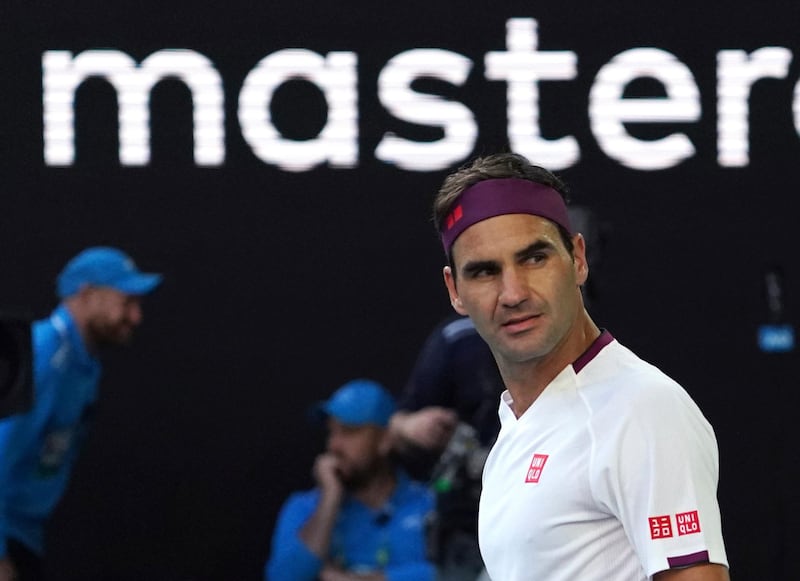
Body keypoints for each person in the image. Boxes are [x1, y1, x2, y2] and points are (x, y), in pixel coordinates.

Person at [431, 152, 729, 580]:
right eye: (484, 272)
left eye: (534, 258)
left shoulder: (643, 409)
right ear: (454, 291)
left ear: (578, 258)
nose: (513, 293)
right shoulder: (517, 424)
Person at [0, 246, 162, 581]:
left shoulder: (84, 364)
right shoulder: (44, 355)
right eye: (126, 302)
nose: (136, 317)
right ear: (87, 294)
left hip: (26, 536)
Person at [265, 379, 435, 581]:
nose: (334, 445)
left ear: (384, 440)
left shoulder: (429, 504)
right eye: (332, 432)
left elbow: (458, 573)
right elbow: (284, 577)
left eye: (349, 432)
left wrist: (349, 579)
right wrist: (329, 500)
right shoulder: (303, 506)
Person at [389, 315, 500, 581]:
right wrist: (411, 426)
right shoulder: (459, 339)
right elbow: (395, 428)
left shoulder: (590, 350)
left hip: (545, 512)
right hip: (467, 522)